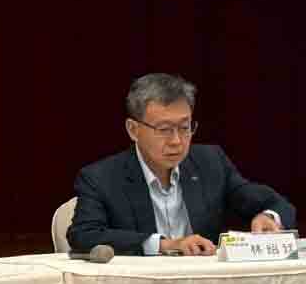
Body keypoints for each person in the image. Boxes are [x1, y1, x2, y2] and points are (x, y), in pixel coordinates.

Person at [67, 73, 295, 256]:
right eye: (164, 129)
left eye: (185, 128)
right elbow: (83, 235)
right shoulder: (101, 178)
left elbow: (276, 203)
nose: (176, 141)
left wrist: (268, 217)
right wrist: (164, 244)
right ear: (133, 130)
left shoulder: (210, 162)